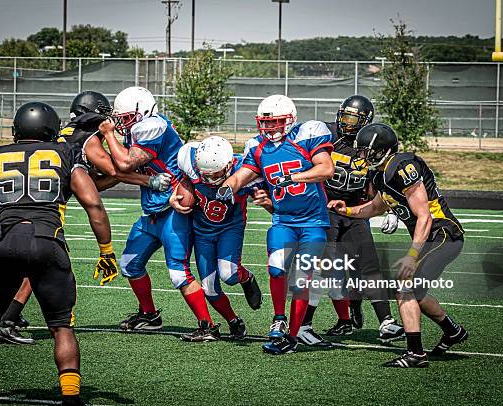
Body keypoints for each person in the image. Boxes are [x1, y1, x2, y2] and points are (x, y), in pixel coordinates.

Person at [0, 102, 119, 406]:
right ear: (52, 128)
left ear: (17, 129)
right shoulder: (66, 153)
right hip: (48, 242)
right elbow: (93, 205)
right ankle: (71, 398)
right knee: (61, 327)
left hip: (5, 243)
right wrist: (106, 252)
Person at [0, 91, 172, 346]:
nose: (111, 118)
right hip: (47, 208)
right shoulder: (89, 138)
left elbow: (96, 183)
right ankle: (7, 322)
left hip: (23, 202)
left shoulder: (67, 133)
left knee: (25, 263)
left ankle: (9, 314)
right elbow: (115, 169)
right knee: (40, 265)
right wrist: (149, 180)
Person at [329, 122, 468, 368]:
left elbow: (424, 216)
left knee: (405, 287)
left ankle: (415, 353)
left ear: (380, 150)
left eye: (365, 151)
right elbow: (373, 208)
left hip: (443, 233)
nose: (361, 156)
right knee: (416, 292)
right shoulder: (380, 173)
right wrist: (346, 209)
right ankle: (452, 331)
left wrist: (412, 255)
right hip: (432, 237)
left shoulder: (402, 166)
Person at [218, 94, 335, 354]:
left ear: (290, 119)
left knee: (302, 279)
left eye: (276, 123)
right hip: (283, 219)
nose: (269, 128)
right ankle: (279, 319)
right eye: (266, 123)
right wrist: (227, 187)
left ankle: (292, 337)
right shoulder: (258, 147)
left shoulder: (307, 135)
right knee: (276, 268)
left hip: (313, 222)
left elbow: (326, 169)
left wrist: (294, 176)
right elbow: (242, 175)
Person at [100, 86, 218, 340]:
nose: (123, 124)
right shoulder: (138, 129)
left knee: (178, 272)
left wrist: (108, 135)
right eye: (121, 119)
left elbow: (124, 163)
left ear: (144, 112)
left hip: (173, 210)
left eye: (128, 118)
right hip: (153, 211)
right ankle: (149, 315)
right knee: (130, 264)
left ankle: (207, 325)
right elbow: (121, 171)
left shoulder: (153, 126)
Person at [297, 95, 404, 347]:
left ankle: (386, 322)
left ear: (366, 121)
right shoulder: (326, 135)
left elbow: (380, 179)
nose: (345, 122)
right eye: (344, 116)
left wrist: (390, 209)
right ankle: (304, 324)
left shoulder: (369, 141)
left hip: (356, 210)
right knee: (325, 268)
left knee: (368, 266)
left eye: (352, 118)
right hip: (326, 210)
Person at [172, 136, 263, 340]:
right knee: (210, 288)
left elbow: (264, 187)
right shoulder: (189, 160)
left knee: (229, 274)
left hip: (230, 228)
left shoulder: (243, 170)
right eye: (204, 175)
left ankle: (247, 278)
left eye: (213, 175)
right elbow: (181, 179)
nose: (207, 180)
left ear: (229, 165)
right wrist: (174, 194)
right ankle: (234, 321)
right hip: (202, 231)